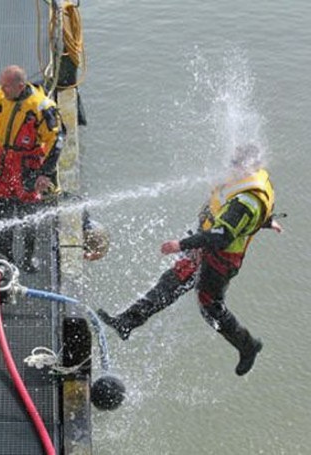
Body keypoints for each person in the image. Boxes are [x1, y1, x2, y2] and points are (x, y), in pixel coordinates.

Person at [98, 143, 282, 376]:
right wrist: (267, 221)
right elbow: (244, 215)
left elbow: (222, 236)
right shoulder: (244, 182)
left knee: (210, 307)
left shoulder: (246, 201)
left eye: (235, 163)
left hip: (220, 259)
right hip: (205, 249)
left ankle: (248, 346)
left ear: (248, 167)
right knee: (172, 281)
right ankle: (126, 322)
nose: (230, 166)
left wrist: (181, 245)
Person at [0, 65, 64, 273]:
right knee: (1, 212)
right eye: (1, 84)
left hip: (28, 164)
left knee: (28, 215)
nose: (1, 89)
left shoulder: (41, 107)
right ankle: (5, 257)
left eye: (6, 86)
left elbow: (55, 141)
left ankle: (28, 257)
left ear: (20, 86)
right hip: (2, 161)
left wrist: (45, 173)